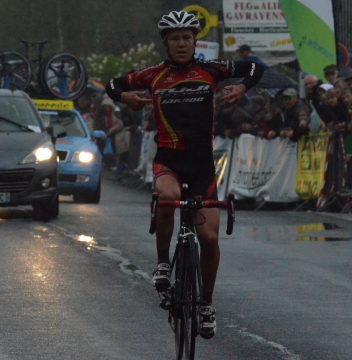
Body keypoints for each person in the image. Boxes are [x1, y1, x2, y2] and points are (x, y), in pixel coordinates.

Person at [105, 10, 263, 339]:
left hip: (202, 164)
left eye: (186, 38)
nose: (181, 44)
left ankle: (206, 304)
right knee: (168, 198)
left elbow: (255, 67)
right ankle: (163, 262)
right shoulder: (152, 75)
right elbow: (112, 84)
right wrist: (125, 96)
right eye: (175, 39)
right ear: (166, 43)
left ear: (194, 42)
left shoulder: (211, 70)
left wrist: (242, 88)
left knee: (208, 238)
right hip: (169, 161)